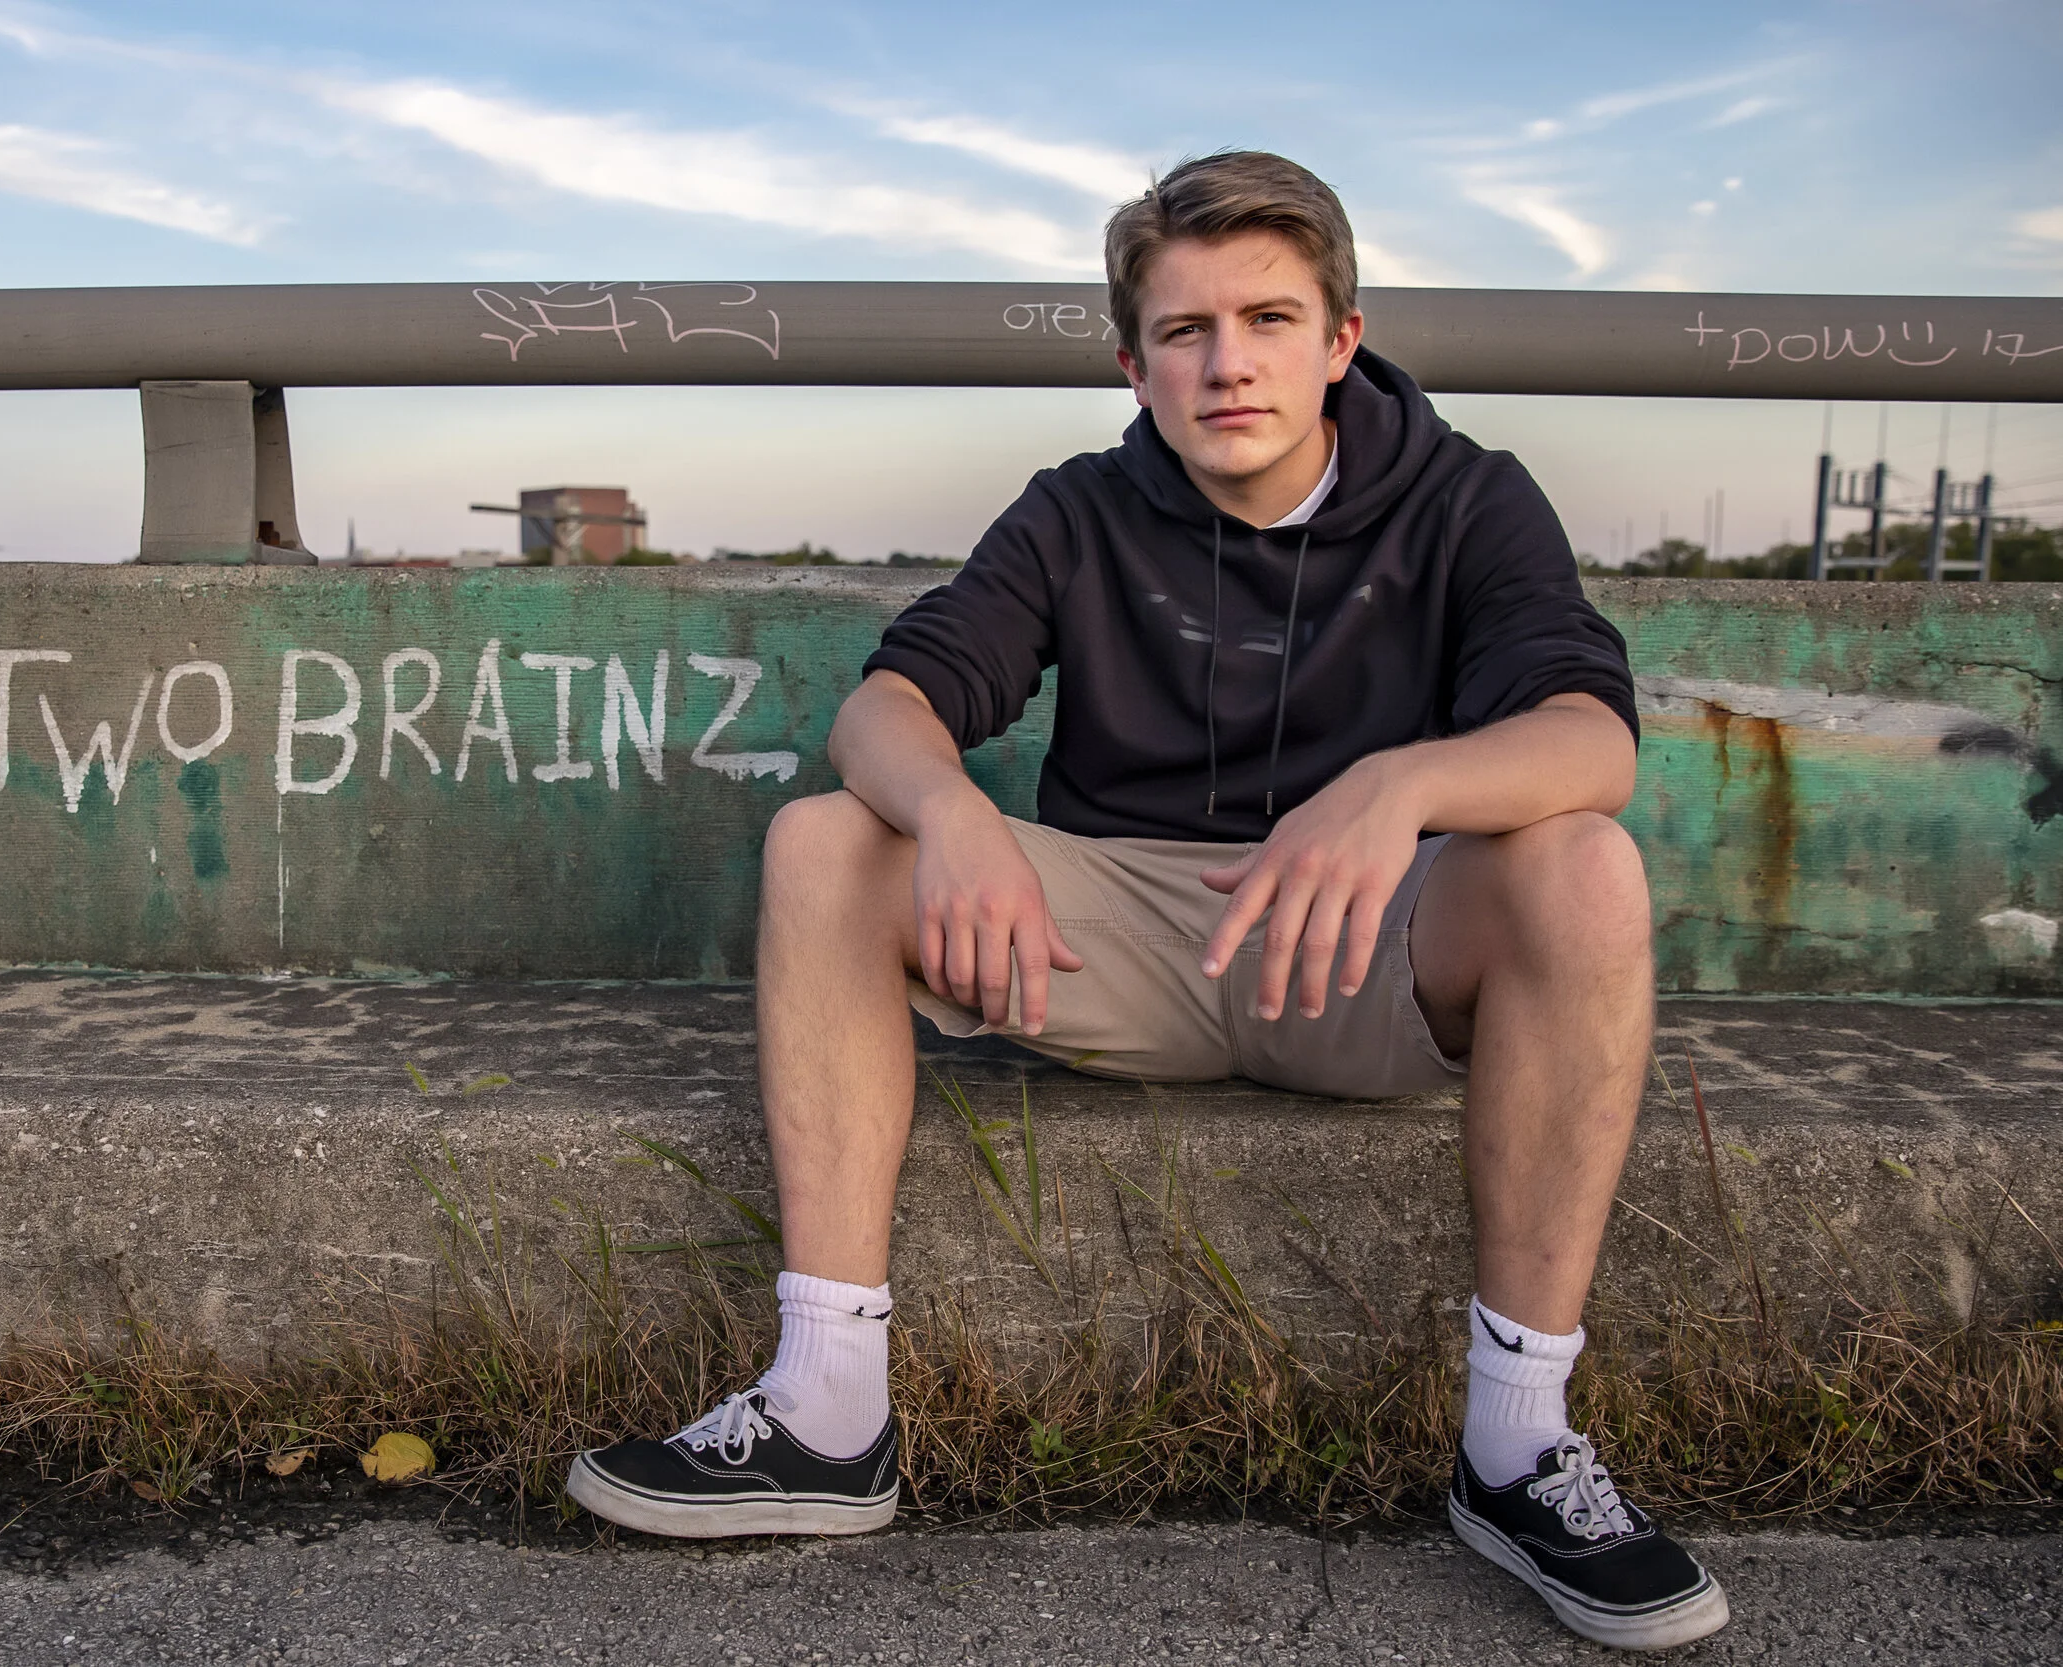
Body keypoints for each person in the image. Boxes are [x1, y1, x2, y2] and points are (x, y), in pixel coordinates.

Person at [568, 149, 1728, 1653]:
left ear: (1341, 340)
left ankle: (1515, 1448)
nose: (1227, 361)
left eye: (1267, 318)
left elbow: (1591, 740)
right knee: (828, 842)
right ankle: (829, 1410)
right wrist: (954, 809)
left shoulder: (1466, 500)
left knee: (1581, 861)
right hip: (1106, 944)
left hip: (1360, 948)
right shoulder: (1081, 511)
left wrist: (1398, 789)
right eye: (1185, 331)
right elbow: (886, 710)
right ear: (1135, 361)